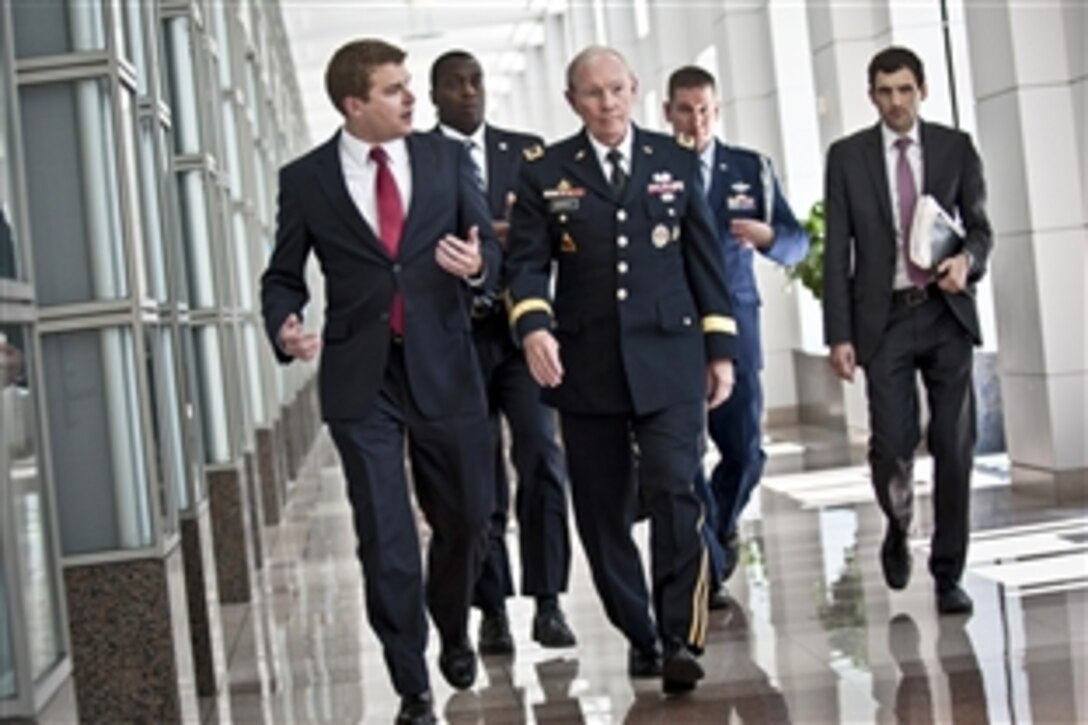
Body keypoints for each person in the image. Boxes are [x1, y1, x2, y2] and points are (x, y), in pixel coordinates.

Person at [260, 39, 501, 724]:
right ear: (353, 103)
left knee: (468, 517)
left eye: (407, 86)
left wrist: (477, 268)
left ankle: (453, 626)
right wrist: (286, 323)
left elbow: (492, 253)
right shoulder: (306, 179)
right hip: (362, 378)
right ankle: (411, 683)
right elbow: (282, 275)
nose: (411, 98)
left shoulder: (446, 159)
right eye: (394, 89)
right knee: (386, 535)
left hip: (446, 365)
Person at [505, 45, 738, 695]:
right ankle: (639, 630)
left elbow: (705, 260)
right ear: (572, 101)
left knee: (675, 485)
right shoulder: (545, 172)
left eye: (616, 89)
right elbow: (525, 263)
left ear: (635, 89)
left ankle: (680, 635)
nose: (607, 103)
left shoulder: (675, 160)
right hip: (588, 367)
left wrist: (721, 351)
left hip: (670, 356)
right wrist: (533, 324)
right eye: (592, 93)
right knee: (603, 510)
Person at [822, 46, 992, 616]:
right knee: (892, 444)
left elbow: (981, 230)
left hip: (946, 313)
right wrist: (839, 334)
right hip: (884, 317)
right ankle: (898, 525)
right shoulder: (846, 157)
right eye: (885, 91)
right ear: (872, 95)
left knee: (954, 444)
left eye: (905, 90)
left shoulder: (955, 147)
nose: (896, 101)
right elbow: (836, 251)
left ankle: (948, 573)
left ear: (922, 91)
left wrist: (968, 261)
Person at [429, 50, 576, 655]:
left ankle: (548, 600)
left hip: (520, 333)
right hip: (457, 339)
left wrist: (501, 238)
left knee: (541, 453)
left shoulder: (529, 152)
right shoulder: (422, 159)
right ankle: (491, 606)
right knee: (478, 473)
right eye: (454, 85)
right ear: (435, 95)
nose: (469, 92)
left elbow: (552, 237)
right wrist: (498, 237)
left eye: (476, 81)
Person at [663, 66, 809, 605]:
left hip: (738, 325)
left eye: (704, 109)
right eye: (684, 109)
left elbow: (798, 245)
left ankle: (717, 532)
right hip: (674, 329)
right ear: (666, 112)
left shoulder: (751, 168)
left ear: (717, 110)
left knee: (746, 451)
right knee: (683, 453)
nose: (695, 121)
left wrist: (770, 237)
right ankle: (706, 560)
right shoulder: (653, 168)